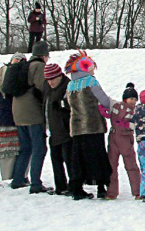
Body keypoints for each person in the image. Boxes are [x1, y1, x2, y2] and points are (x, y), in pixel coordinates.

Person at [65, 51, 114, 200]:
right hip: (93, 125)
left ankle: (77, 187)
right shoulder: (91, 82)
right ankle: (101, 186)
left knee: (78, 158)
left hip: (77, 127)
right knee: (97, 155)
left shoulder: (70, 85)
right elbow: (104, 101)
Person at [10, 41, 53, 194]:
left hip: (18, 113)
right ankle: (35, 183)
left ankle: (18, 179)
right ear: (43, 55)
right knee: (39, 148)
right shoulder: (39, 66)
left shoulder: (24, 66)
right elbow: (43, 87)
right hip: (32, 114)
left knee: (25, 147)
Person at [102, 83, 141, 200]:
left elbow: (135, 124)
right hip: (113, 138)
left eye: (135, 99)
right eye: (131, 98)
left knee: (131, 165)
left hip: (125, 139)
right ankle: (111, 192)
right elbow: (107, 112)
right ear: (125, 98)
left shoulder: (136, 111)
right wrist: (101, 108)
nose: (133, 101)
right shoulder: (117, 106)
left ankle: (138, 191)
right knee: (112, 165)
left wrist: (127, 125)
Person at [0, 59, 20, 186]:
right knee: (11, 148)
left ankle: (9, 174)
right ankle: (10, 175)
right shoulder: (9, 76)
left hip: (3, 117)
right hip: (9, 118)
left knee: (9, 148)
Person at [44, 62, 74, 195]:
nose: (50, 82)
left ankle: (73, 185)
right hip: (54, 129)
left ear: (59, 76)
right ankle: (60, 186)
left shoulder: (68, 86)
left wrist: (62, 105)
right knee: (55, 159)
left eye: (52, 79)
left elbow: (73, 105)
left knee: (69, 159)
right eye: (48, 80)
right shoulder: (49, 88)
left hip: (66, 129)